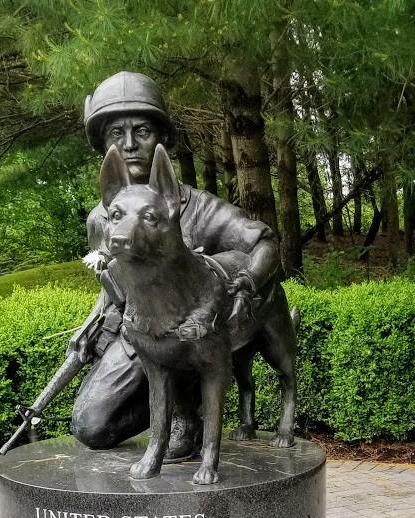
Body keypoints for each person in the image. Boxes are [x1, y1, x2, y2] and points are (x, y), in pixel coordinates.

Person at [66, 72, 281, 455]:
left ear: (162, 137)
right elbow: (114, 280)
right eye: (116, 134)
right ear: (104, 145)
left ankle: (188, 410)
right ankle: (163, 403)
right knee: (89, 427)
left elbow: (264, 242)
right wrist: (91, 327)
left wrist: (247, 281)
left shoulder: (197, 207)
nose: (129, 144)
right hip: (135, 331)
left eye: (142, 131)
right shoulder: (101, 219)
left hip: (189, 333)